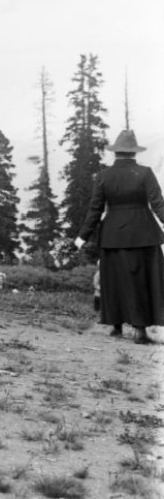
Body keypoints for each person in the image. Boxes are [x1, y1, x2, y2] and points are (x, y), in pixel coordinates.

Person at [75, 129, 164, 344]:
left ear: (116, 152)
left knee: (114, 281)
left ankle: (116, 326)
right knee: (142, 281)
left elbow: (95, 209)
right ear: (134, 152)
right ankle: (140, 331)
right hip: (144, 233)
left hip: (113, 235)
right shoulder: (145, 173)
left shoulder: (104, 176)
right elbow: (158, 204)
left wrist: (82, 236)